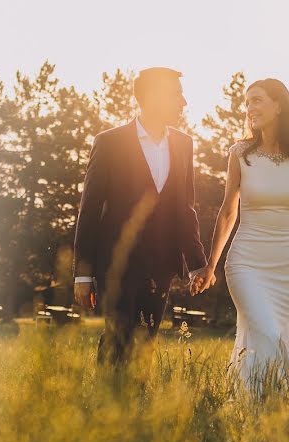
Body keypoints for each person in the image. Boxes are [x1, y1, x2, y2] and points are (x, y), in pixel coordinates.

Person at [193, 78, 289, 397]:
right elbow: (227, 213)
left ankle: (255, 405)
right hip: (246, 263)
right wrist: (210, 265)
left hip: (286, 267)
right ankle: (271, 394)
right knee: (265, 332)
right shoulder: (240, 154)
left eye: (257, 100)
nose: (249, 108)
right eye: (247, 103)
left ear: (279, 106)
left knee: (269, 336)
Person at [72, 67, 210, 383]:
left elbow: (185, 210)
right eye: (176, 94)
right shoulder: (109, 142)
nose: (184, 102)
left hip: (161, 264)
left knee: (145, 340)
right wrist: (83, 272)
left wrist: (197, 265)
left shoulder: (184, 144)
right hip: (116, 263)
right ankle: (108, 405)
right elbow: (89, 210)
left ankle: (136, 409)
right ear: (151, 97)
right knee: (118, 334)